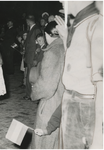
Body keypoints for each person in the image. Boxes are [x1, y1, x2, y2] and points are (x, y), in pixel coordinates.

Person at [35, 1, 103, 149]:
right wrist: (66, 41)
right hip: (70, 102)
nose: (60, 1)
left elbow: (100, 81)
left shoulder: (95, 23)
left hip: (85, 105)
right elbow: (74, 70)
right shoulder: (79, 24)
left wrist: (99, 137)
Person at [30, 21, 65, 149]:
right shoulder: (66, 47)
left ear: (46, 35)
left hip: (51, 104)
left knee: (44, 141)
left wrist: (34, 92)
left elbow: (47, 86)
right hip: (63, 102)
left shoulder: (53, 52)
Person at [23, 15, 41, 100]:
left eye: (27, 21)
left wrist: (36, 59)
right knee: (29, 76)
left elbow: (38, 45)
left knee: (32, 77)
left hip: (32, 57)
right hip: (29, 57)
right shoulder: (31, 29)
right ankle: (29, 94)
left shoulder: (36, 30)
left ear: (28, 21)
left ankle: (31, 95)